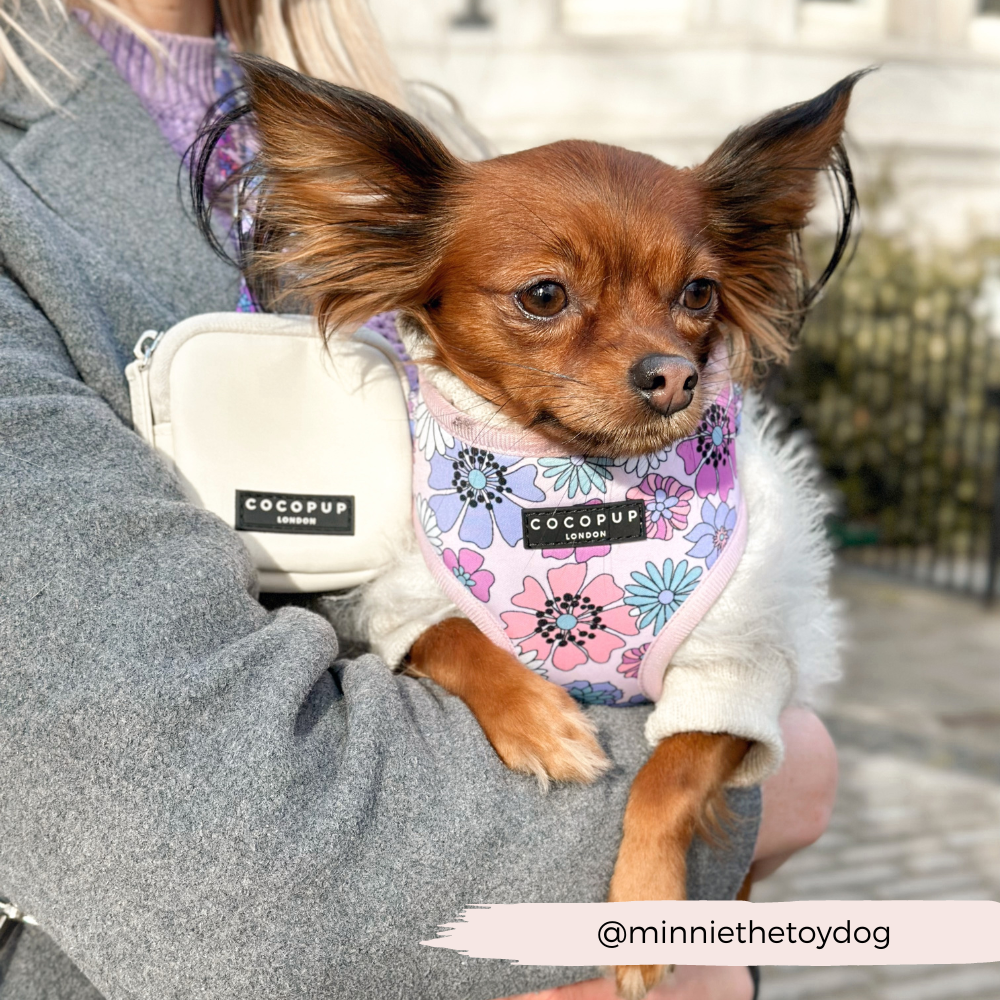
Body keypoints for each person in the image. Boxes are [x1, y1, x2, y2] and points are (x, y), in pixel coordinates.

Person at [0, 1, 837, 997]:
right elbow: (216, 864)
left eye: (689, 297)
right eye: (542, 298)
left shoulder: (440, 129)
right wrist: (767, 786)